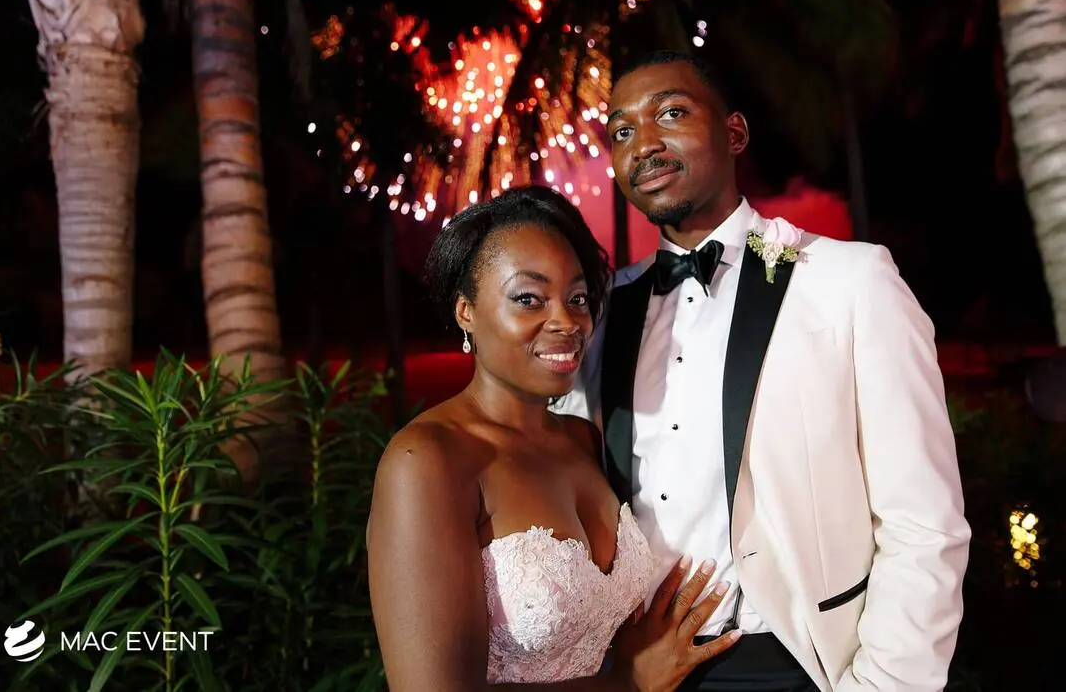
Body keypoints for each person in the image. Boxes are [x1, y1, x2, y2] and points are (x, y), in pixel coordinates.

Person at [551, 50, 971, 691]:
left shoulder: (850, 282)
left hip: (799, 663)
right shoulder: (603, 312)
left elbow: (924, 521)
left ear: (734, 133)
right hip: (641, 671)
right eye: (623, 131)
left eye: (671, 113)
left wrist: (885, 683)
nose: (645, 144)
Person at [367, 185, 743, 690]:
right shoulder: (428, 461)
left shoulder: (582, 440)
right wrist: (627, 682)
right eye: (528, 299)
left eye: (577, 298)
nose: (566, 321)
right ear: (466, 311)